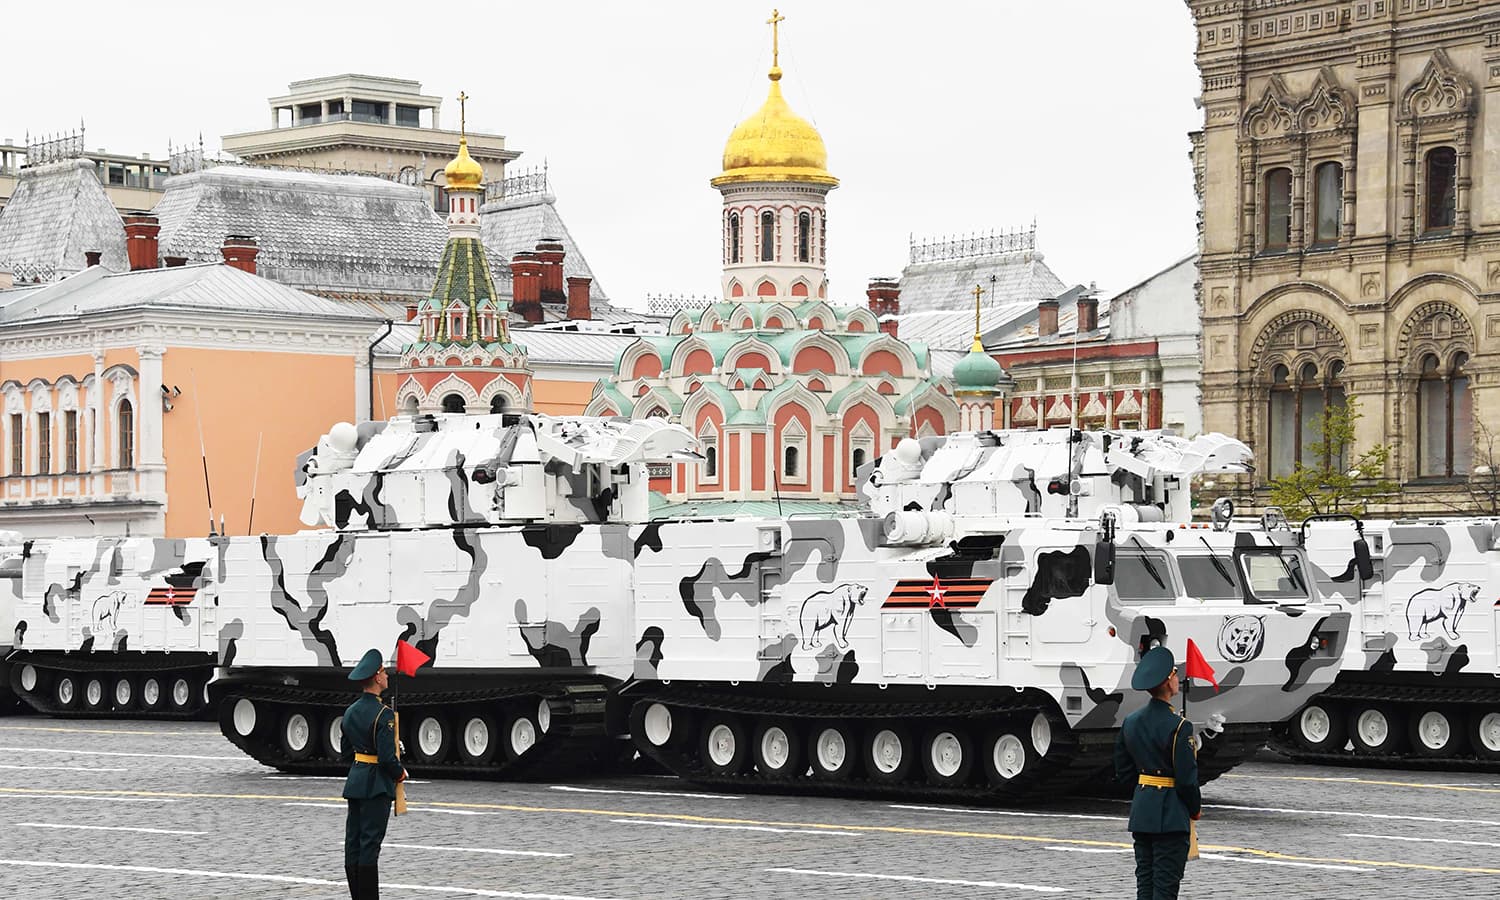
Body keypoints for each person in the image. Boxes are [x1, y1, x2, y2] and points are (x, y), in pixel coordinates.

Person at [1113, 645, 1201, 900]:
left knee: (1146, 885)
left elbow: (1124, 770)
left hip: (1143, 812)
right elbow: (1186, 779)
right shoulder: (1180, 726)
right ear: (1167, 682)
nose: (1177, 679)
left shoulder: (1131, 721)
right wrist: (1194, 808)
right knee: (1165, 888)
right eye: (1175, 674)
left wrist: (1145, 795)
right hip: (1171, 817)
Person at [342, 648, 406, 900]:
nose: (387, 675)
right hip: (377, 785)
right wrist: (400, 773)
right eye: (384, 672)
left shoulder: (350, 712)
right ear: (377, 678)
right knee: (370, 846)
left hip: (356, 781)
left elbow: (346, 752)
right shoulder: (384, 714)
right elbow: (387, 758)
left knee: (353, 844)